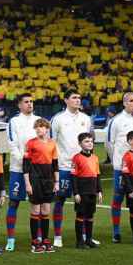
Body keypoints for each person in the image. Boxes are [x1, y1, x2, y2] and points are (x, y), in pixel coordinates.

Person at [50, 89, 92, 248]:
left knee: (85, 202)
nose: (77, 100)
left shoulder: (86, 119)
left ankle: (84, 236)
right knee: (60, 199)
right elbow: (51, 143)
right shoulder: (58, 119)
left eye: (79, 98)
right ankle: (57, 236)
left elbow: (88, 141)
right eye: (74, 98)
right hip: (64, 166)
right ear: (66, 100)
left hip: (83, 167)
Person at [108, 92, 133, 243]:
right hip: (121, 168)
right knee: (118, 198)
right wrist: (116, 161)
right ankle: (116, 232)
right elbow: (109, 144)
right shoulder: (116, 121)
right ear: (124, 103)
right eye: (131, 101)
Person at [5, 93, 40, 252]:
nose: (29, 104)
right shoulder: (14, 121)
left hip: (37, 170)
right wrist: (24, 161)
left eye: (31, 101)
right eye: (26, 102)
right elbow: (12, 145)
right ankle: (11, 239)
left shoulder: (39, 121)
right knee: (14, 202)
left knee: (37, 203)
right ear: (19, 105)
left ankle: (38, 237)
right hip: (18, 169)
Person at [24, 118, 59, 253]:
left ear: (47, 129)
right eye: (37, 127)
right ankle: (35, 242)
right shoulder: (31, 143)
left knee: (45, 211)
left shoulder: (52, 144)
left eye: (41, 126)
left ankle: (45, 240)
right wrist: (27, 183)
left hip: (48, 180)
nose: (39, 129)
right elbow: (25, 165)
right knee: (35, 211)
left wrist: (56, 182)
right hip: (35, 180)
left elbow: (55, 165)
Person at [71, 133, 102, 249]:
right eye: (86, 141)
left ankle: (89, 239)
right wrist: (76, 193)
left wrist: (99, 191)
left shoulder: (95, 158)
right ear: (80, 144)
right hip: (82, 192)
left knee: (90, 216)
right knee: (80, 215)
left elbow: (97, 175)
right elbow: (74, 177)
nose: (90, 143)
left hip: (92, 191)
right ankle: (79, 241)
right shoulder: (76, 158)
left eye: (91, 141)